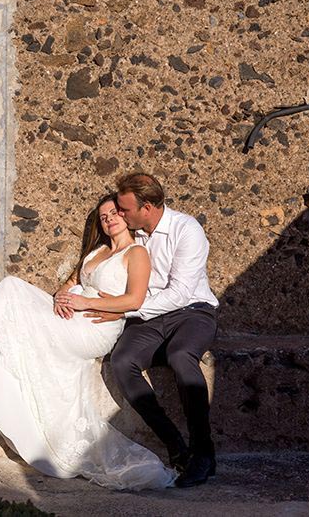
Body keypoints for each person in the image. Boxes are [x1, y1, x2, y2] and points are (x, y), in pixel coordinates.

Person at [0, 193, 177, 490]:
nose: (109, 219)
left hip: (96, 329)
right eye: (103, 216)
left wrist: (86, 305)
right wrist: (62, 296)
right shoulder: (96, 252)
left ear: (126, 215)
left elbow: (134, 300)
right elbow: (71, 285)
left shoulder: (136, 254)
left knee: (11, 288)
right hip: (71, 318)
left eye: (114, 213)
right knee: (3, 319)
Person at [86, 173, 219, 488]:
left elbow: (181, 293)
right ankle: (175, 444)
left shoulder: (187, 231)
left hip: (193, 312)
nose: (120, 214)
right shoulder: (134, 235)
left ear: (146, 207)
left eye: (125, 209)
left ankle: (203, 452)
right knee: (122, 361)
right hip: (149, 319)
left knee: (181, 355)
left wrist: (128, 309)